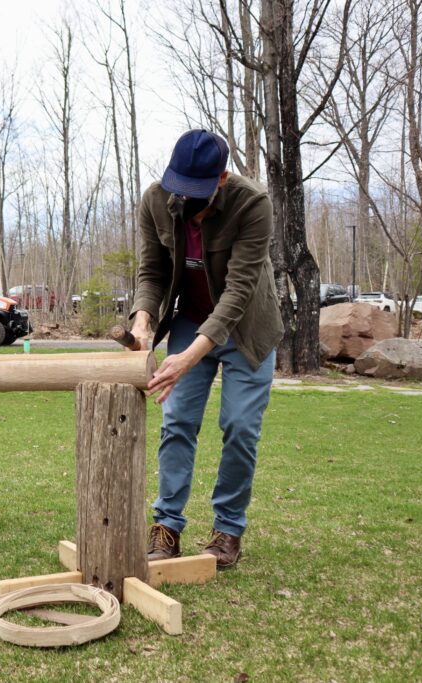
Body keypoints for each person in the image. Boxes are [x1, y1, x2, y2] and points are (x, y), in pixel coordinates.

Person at [126, 129, 282, 568]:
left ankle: (227, 529)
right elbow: (152, 272)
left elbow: (238, 291)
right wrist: (143, 320)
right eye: (181, 192)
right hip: (189, 319)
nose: (187, 204)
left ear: (222, 179)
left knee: (239, 427)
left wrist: (189, 357)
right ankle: (167, 526)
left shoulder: (253, 204)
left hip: (247, 328)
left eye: (199, 194)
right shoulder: (156, 199)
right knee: (176, 422)